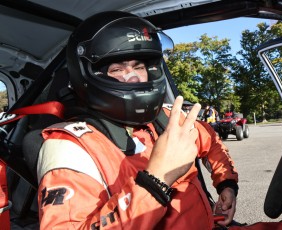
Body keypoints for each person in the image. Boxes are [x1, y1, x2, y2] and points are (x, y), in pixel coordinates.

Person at [37, 11, 238, 229]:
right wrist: (155, 182)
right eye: (117, 69)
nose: (133, 77)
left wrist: (226, 184)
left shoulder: (168, 118)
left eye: (139, 67)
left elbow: (212, 143)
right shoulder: (71, 147)